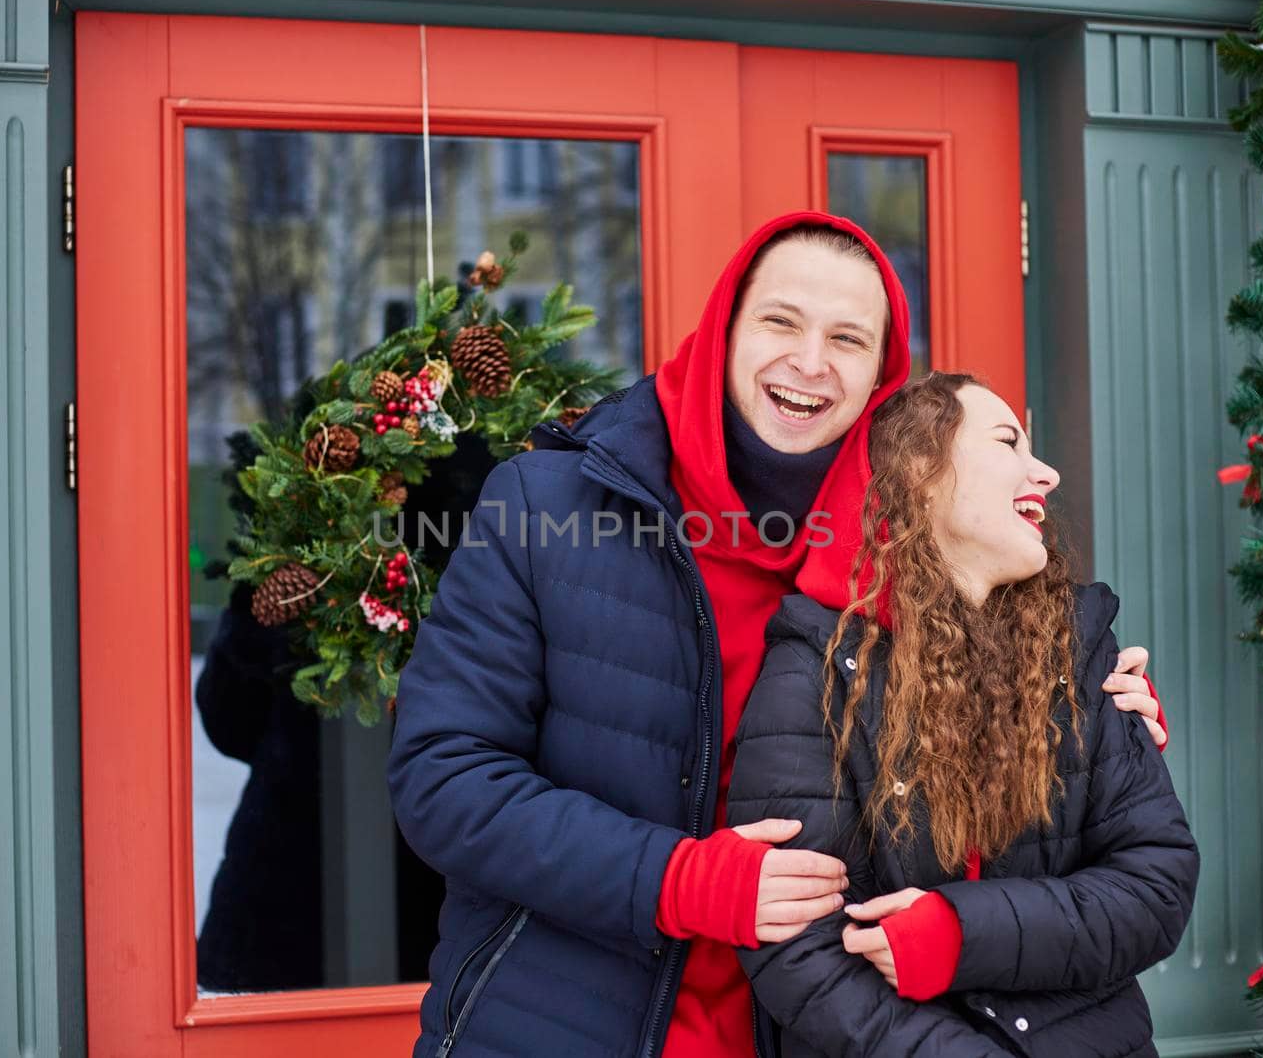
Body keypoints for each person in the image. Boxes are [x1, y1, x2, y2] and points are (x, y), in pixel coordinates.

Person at [387, 212, 1168, 1058]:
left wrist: (1084, 712)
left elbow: (993, 824)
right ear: (725, 329)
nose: (809, 362)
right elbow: (444, 777)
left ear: (880, 380)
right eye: (780, 322)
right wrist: (674, 878)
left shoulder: (907, 561)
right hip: (555, 1025)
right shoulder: (546, 507)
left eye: (847, 338)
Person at [728, 372, 1199, 1058]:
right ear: (919, 471)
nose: (1047, 472)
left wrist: (960, 933)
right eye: (1009, 441)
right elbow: (798, 951)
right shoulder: (816, 667)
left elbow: (1155, 886)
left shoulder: (1081, 650)